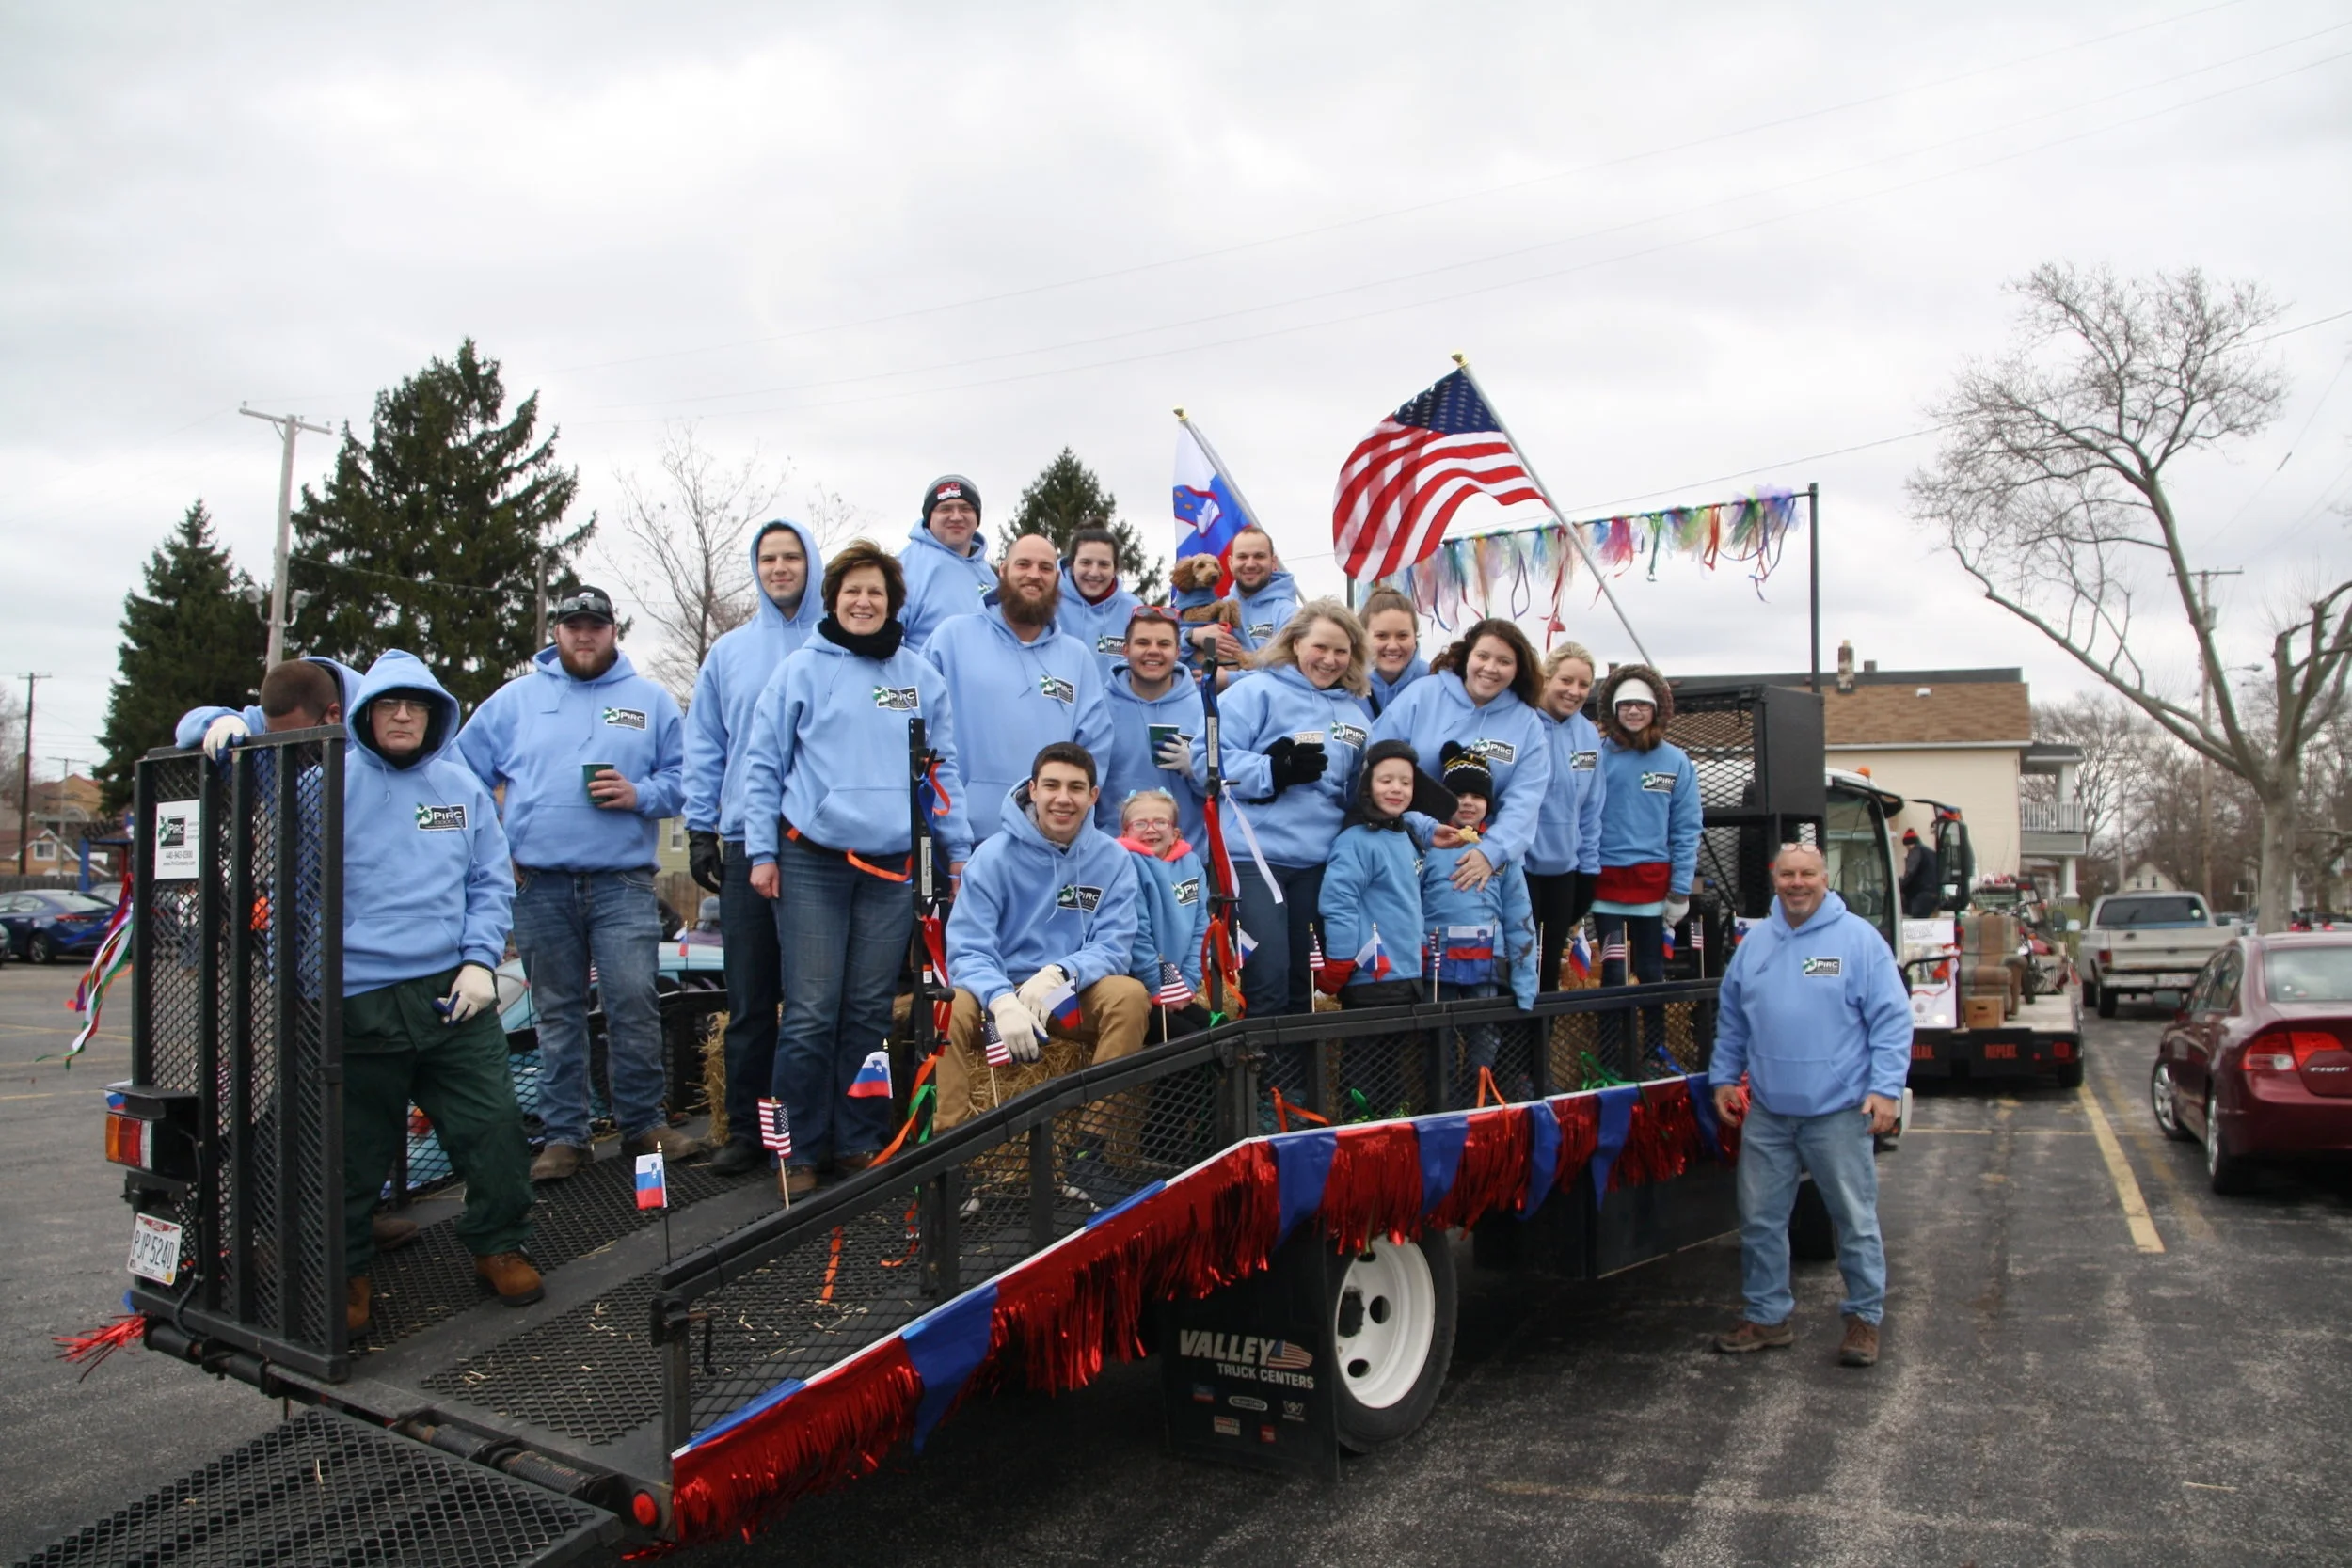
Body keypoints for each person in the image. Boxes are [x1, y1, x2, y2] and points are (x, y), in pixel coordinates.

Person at [740, 541, 973, 1196]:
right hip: (811, 859)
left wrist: (958, 850)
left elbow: (942, 769)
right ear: (834, 600)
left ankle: (859, 1137)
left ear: (892, 602)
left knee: (869, 1007)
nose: (864, 602)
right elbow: (763, 766)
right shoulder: (800, 672)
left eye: (875, 592)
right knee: (812, 1009)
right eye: (852, 592)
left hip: (891, 867)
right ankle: (798, 1148)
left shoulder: (921, 675)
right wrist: (762, 851)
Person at [453, 585, 696, 1182]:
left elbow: (686, 776)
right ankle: (566, 1136)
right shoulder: (514, 701)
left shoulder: (650, 701)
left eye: (595, 625)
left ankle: (643, 1125)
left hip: (622, 881)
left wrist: (640, 795)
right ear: (556, 633)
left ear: (614, 631)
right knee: (557, 1013)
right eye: (572, 625)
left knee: (634, 1001)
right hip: (539, 885)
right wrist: (494, 845)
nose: (584, 635)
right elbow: (460, 774)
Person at [339, 651, 537, 1333]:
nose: (402, 714)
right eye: (389, 704)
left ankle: (497, 1243)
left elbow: (489, 881)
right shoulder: (325, 784)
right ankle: (347, 1272)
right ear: (366, 712)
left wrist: (481, 962)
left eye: (415, 705)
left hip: (453, 995)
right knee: (352, 1150)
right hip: (358, 998)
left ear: (434, 715)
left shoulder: (461, 786)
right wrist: (210, 724)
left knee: (495, 1128)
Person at [1708, 843, 1909, 1368]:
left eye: (1808, 874)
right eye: (1788, 874)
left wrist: (1886, 1089)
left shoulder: (1860, 942)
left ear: (1826, 878)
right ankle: (1767, 1318)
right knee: (1760, 1221)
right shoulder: (1755, 944)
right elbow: (1732, 1017)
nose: (1797, 883)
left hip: (1838, 1113)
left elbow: (1892, 1020)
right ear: (1775, 878)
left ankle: (1864, 1320)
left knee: (1854, 1221)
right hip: (1770, 1112)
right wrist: (1724, 1078)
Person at [680, 519, 826, 1178]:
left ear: (811, 563)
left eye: (792, 556)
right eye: (768, 558)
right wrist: (702, 826)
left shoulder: (839, 643)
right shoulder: (730, 652)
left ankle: (810, 1129)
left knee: (814, 999)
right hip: (745, 840)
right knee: (749, 995)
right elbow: (706, 744)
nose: (780, 568)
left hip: (820, 845)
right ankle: (746, 1128)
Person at [937, 743, 1144, 1130]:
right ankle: (949, 1154)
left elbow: (1114, 947)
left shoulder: (1113, 859)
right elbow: (968, 949)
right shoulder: (992, 857)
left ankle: (1093, 1146)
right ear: (1032, 790)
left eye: (1076, 788)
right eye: (1051, 785)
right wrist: (1001, 1000)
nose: (1063, 799)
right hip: (995, 996)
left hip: (1064, 995)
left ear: (1093, 796)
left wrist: (1060, 974)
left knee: (1129, 997)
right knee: (947, 1009)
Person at [1189, 600, 1373, 1018]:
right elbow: (1205, 761)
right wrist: (1272, 771)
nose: (1329, 660)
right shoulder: (1256, 691)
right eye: (1320, 647)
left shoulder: (1357, 716)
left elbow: (1361, 793)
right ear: (1294, 643)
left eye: (1341, 651)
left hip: (1319, 862)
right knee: (1267, 976)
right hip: (1254, 857)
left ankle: (1294, 1084)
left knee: (1301, 984)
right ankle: (1258, 1082)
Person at [924, 532, 1112, 842]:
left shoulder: (1076, 657)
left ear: (1057, 578)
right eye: (1023, 564)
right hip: (961, 838)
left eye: (1045, 567)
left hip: (1048, 840)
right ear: (1002, 570)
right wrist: (947, 824)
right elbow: (922, 732)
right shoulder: (951, 638)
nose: (1034, 575)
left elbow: (1094, 748)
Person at [1371, 617, 1554, 897]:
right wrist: (1418, 827)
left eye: (1504, 661)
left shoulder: (1527, 723)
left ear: (1518, 670)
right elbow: (1376, 761)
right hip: (1408, 845)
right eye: (1483, 656)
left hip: (1478, 862)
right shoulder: (1424, 694)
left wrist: (1490, 852)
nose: (1490, 668)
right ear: (1467, 656)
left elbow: (1525, 800)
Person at [1591, 664, 1701, 1064]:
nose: (1634, 712)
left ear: (1655, 710)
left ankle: (1654, 1055)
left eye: (1642, 705)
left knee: (1652, 972)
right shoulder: (1597, 756)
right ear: (1614, 709)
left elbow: (1687, 827)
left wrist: (1680, 889)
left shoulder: (1676, 762)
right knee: (1614, 972)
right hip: (1605, 884)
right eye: (1626, 705)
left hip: (1654, 885)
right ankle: (1611, 1058)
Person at [1422, 745, 1538, 1086]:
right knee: (1438, 1052)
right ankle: (1441, 1111)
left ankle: (1480, 1108)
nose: (1468, 802)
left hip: (1486, 967)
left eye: (1477, 795)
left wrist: (1525, 981)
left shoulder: (1504, 854)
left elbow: (1519, 918)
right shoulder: (1425, 847)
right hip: (1436, 970)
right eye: (1459, 795)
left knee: (1483, 1050)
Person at [1316, 739, 1432, 1009]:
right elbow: (1339, 903)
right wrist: (1340, 961)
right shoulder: (1354, 842)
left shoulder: (1408, 838)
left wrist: (1421, 947)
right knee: (1368, 1052)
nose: (1396, 789)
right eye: (1386, 780)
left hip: (1410, 973)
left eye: (1406, 782)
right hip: (1371, 977)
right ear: (1367, 785)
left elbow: (1412, 903)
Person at [1527, 641, 1606, 990]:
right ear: (1546, 678)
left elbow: (1591, 809)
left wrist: (1588, 869)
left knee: (1549, 973)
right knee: (1520, 967)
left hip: (1566, 871)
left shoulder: (1588, 733)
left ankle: (1543, 1044)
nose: (1574, 692)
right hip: (1522, 868)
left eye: (1583, 685)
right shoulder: (1522, 722)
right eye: (1566, 681)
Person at [1097, 606, 1207, 847]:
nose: (1153, 651)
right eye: (1143, 643)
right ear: (1125, 650)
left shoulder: (1202, 709)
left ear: (1178, 652)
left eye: (1164, 644)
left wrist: (1197, 769)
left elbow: (1217, 791)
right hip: (1114, 850)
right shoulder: (1099, 707)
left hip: (1183, 854)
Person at [1115, 788, 1211, 1037]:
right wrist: (1159, 987)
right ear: (1125, 832)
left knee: (1218, 1032)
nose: (1151, 829)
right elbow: (1136, 935)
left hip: (1178, 986)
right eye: (1140, 823)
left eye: (1160, 822)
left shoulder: (1191, 864)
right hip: (1139, 987)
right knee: (1185, 1042)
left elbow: (1201, 928)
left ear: (1175, 832)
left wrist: (1187, 984)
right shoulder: (1124, 863)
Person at [177, 654, 360, 754]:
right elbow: (186, 727)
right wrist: (218, 721)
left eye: (297, 738)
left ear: (333, 714)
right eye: (273, 736)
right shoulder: (266, 722)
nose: (284, 748)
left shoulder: (377, 737)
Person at [898, 474, 995, 652]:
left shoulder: (990, 575)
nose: (956, 517)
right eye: (946, 509)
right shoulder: (903, 569)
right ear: (929, 517)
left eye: (965, 508)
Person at [1185, 526, 1296, 668]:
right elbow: (1171, 655)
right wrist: (1193, 636)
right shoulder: (1217, 607)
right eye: (1242, 557)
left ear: (1273, 563)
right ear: (1230, 564)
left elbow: (1288, 672)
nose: (1250, 564)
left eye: (1259, 556)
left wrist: (1227, 679)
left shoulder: (1290, 615)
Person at [1055, 526, 1142, 676]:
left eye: (1104, 564)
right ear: (1072, 565)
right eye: (1085, 563)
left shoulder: (1133, 609)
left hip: (1113, 700)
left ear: (1115, 569)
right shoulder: (1048, 603)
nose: (1094, 573)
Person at [1360, 587, 1429, 719]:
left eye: (1402, 636)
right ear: (1363, 637)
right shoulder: (1347, 682)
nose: (1392, 646)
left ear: (1415, 637)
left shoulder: (1433, 681)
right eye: (1381, 636)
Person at [1899, 829, 1941, 919]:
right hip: (1935, 893)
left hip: (1922, 895)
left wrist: (1900, 887)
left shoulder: (1916, 851)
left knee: (1917, 924)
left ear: (1910, 843)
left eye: (1907, 846)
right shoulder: (1931, 853)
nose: (1907, 849)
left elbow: (1910, 873)